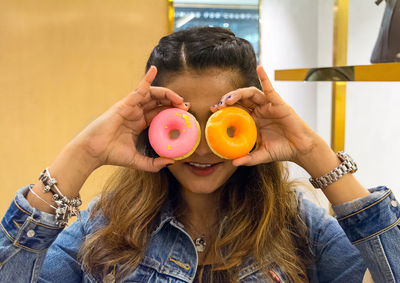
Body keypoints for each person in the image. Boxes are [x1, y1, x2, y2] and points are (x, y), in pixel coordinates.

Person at [0, 26, 399, 283]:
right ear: (155, 125)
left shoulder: (298, 226)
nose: (204, 148)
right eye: (183, 125)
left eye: (221, 125)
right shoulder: (103, 227)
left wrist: (313, 152)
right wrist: (84, 152)